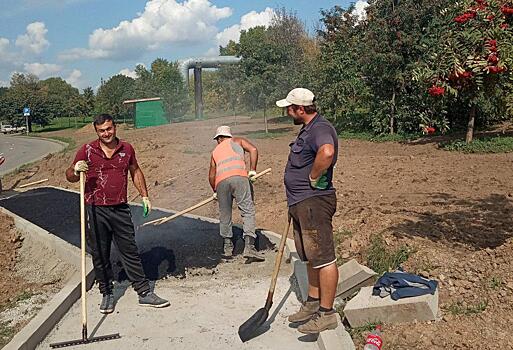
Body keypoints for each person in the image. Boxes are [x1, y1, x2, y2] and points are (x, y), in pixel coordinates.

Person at [65, 114, 169, 314]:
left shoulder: (126, 149)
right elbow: (69, 175)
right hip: (95, 209)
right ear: (96, 131)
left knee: (129, 250)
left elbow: (135, 171)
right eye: (102, 130)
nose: (106, 133)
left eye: (109, 129)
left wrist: (145, 196)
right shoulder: (87, 150)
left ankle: (144, 293)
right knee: (100, 253)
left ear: (115, 127)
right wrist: (76, 169)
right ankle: (107, 293)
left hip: (120, 208)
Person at [276, 88, 339, 334]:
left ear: (301, 109)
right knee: (311, 256)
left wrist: (313, 176)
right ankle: (313, 303)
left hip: (314, 202)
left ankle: (327, 313)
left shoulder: (321, 128)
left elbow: (327, 152)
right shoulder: (308, 130)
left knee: (323, 257)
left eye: (289, 108)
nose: (286, 112)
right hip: (301, 203)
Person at [208, 125, 265, 261]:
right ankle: (249, 247)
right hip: (239, 177)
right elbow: (253, 149)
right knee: (247, 210)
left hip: (221, 182)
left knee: (225, 214)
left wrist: (215, 190)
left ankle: (227, 248)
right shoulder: (237, 140)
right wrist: (253, 170)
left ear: (220, 138)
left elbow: (211, 175)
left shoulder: (215, 152)